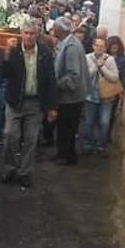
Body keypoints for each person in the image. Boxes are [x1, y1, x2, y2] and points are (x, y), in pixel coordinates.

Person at [1, 20, 58, 189]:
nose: (28, 36)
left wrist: (52, 107)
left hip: (35, 102)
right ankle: (9, 168)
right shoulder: (14, 51)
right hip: (15, 101)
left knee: (31, 140)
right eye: (25, 33)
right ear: (21, 33)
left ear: (37, 34)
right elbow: (4, 74)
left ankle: (24, 172)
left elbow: (50, 80)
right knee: (10, 135)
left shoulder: (45, 53)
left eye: (32, 33)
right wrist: (6, 55)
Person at [51, 17, 89, 165]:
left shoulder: (71, 46)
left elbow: (74, 75)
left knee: (68, 127)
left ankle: (68, 156)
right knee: (63, 126)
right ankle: (62, 153)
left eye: (55, 28)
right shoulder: (68, 42)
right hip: (69, 95)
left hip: (72, 96)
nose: (53, 31)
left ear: (60, 30)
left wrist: (57, 84)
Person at [82, 38, 120, 156]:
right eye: (97, 45)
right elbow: (85, 76)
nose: (99, 48)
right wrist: (96, 66)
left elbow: (114, 77)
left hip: (106, 97)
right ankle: (88, 145)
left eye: (102, 46)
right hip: (90, 96)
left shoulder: (110, 59)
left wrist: (103, 67)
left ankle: (101, 146)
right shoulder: (87, 58)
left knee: (104, 123)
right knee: (89, 122)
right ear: (93, 46)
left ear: (105, 47)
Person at [106, 36, 125, 142]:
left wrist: (121, 90)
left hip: (115, 88)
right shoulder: (104, 56)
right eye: (112, 47)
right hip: (103, 87)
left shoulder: (123, 59)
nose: (113, 50)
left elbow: (123, 76)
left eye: (115, 48)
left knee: (111, 113)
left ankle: (107, 134)